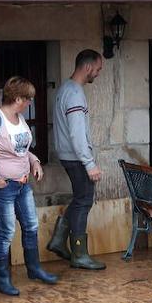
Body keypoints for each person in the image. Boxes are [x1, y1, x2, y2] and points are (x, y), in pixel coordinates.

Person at [0, 77, 58, 296]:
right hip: (3, 186)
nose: (30, 102)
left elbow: (22, 150)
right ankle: (3, 279)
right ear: (18, 98)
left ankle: (34, 269)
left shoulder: (19, 118)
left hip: (22, 184)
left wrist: (35, 162)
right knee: (6, 232)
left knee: (31, 226)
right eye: (28, 98)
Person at [48, 49, 106, 271]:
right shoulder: (74, 93)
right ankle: (79, 254)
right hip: (76, 157)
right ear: (88, 67)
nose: (98, 74)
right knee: (84, 201)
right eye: (98, 69)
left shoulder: (65, 89)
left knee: (81, 198)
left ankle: (59, 239)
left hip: (68, 155)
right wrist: (89, 163)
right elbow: (76, 133)